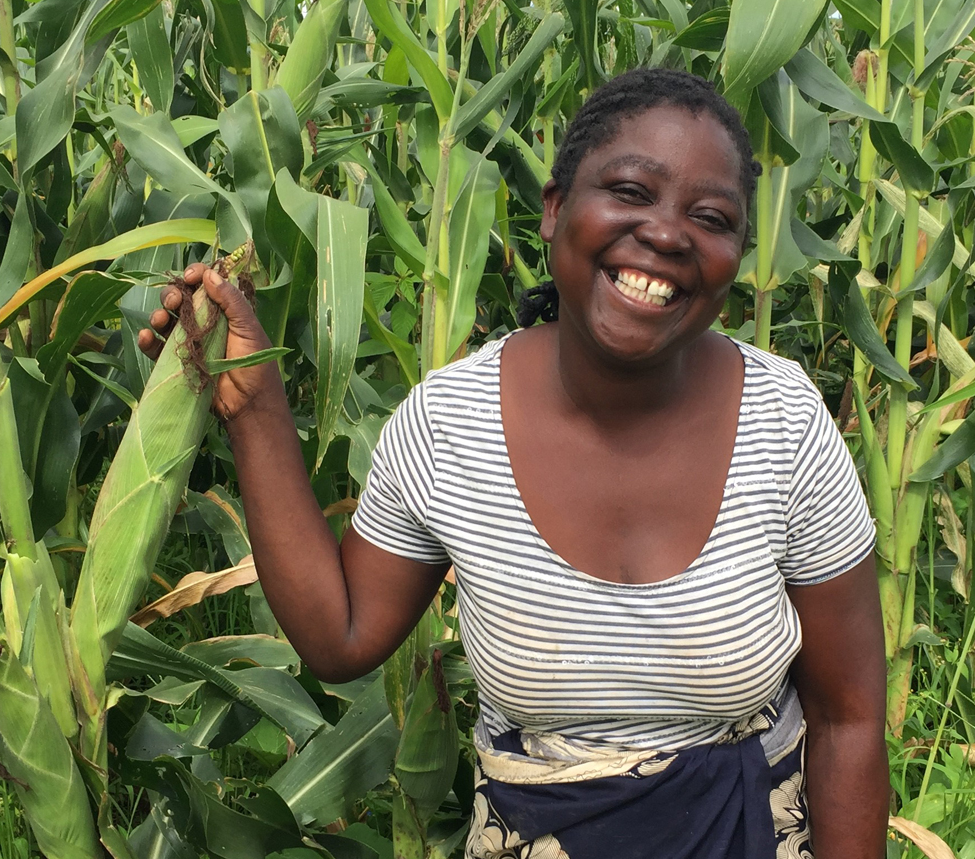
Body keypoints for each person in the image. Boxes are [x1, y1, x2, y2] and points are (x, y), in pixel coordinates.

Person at [140, 67, 888, 859]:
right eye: (632, 192)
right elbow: (341, 635)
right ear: (555, 209)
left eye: (710, 217)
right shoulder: (449, 426)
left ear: (737, 254)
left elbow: (849, 718)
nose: (668, 234)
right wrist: (254, 409)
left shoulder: (784, 420)